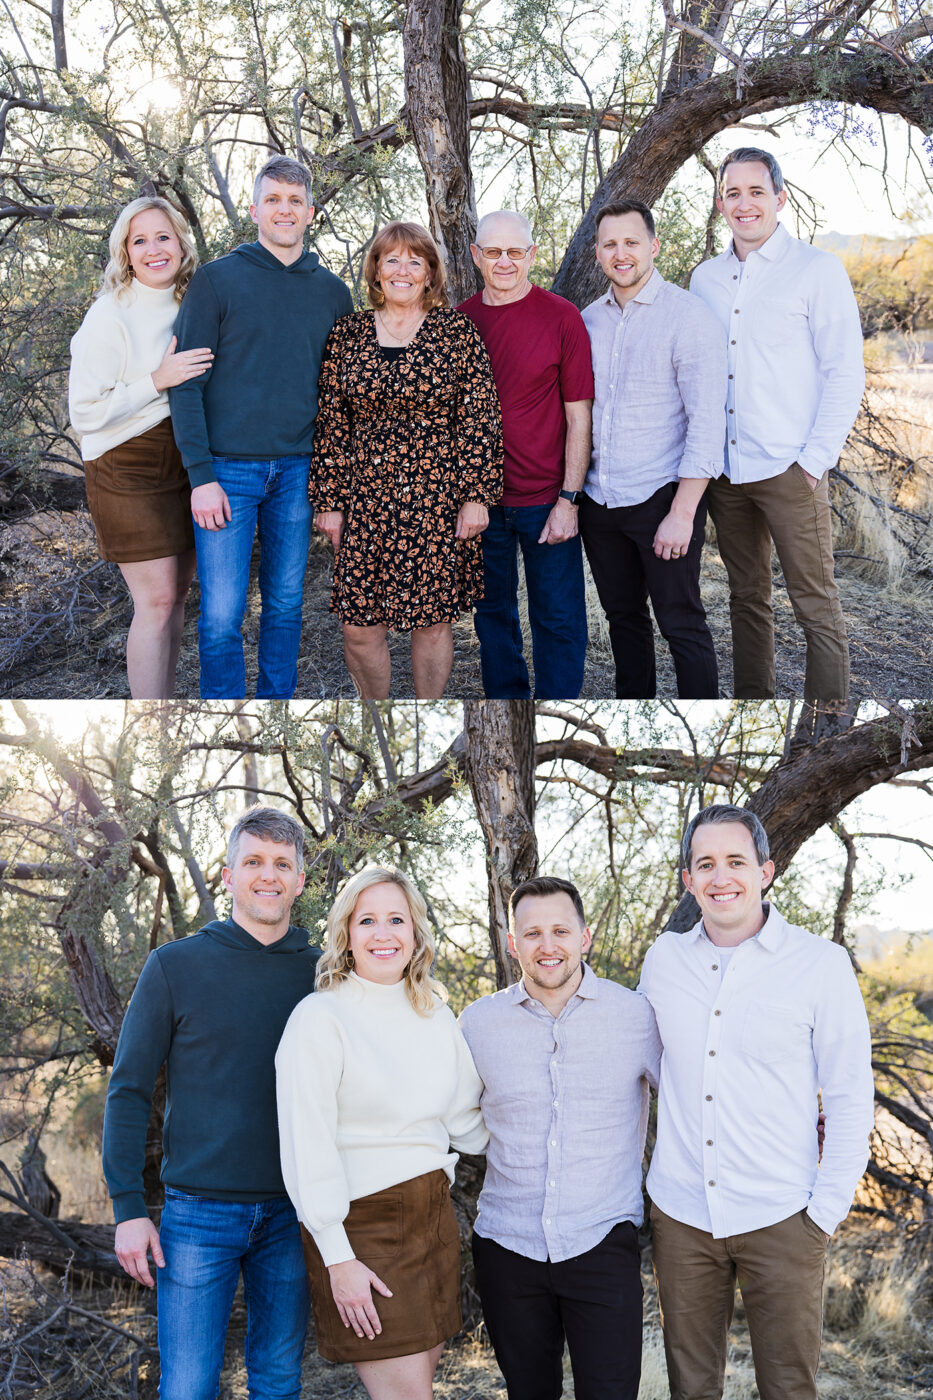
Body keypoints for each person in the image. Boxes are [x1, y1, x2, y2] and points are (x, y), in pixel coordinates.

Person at [639, 803, 875, 1400]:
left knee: (788, 1388)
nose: (721, 877)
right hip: (682, 1215)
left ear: (765, 871)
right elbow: (638, 1066)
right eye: (705, 864)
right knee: (692, 1390)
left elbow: (850, 1096)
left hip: (784, 1215)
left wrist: (824, 1214)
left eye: (736, 861)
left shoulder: (820, 965)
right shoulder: (665, 960)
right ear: (688, 880)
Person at [101, 806, 319, 1400]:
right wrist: (128, 1207)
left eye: (282, 864)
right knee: (188, 1387)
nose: (268, 875)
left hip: (296, 1212)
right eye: (254, 862)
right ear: (228, 876)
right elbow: (129, 1088)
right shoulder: (175, 965)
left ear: (300, 880)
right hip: (198, 1214)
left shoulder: (325, 974)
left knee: (279, 1381)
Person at [275, 866, 488, 1400]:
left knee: (419, 1384)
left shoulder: (434, 1014)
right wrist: (337, 1257)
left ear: (415, 932)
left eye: (396, 919)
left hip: (433, 1220)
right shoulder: (320, 1018)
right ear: (346, 934)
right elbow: (306, 1145)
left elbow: (467, 1124)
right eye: (366, 920)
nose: (383, 933)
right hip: (363, 1230)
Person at [459, 876, 660, 1400]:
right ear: (512, 943)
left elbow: (697, 1102)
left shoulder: (636, 1016)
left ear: (584, 937)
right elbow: (442, 1115)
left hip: (601, 1240)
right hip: (507, 1246)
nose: (547, 946)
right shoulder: (477, 1025)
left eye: (560, 931)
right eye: (532, 934)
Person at [169, 155, 354, 699]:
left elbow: (340, 400)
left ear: (311, 212)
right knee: (221, 617)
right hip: (226, 474)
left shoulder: (332, 293)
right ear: (254, 210)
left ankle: (276, 711)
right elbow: (185, 385)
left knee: (286, 606)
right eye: (273, 199)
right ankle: (224, 716)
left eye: (295, 200)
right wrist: (201, 476)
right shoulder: (215, 281)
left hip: (299, 472)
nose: (284, 209)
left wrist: (333, 485)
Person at [689, 148, 865, 702]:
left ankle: (828, 722)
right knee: (747, 599)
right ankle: (752, 703)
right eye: (733, 193)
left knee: (815, 604)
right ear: (721, 204)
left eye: (756, 191)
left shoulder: (816, 270)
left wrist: (814, 462)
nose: (744, 203)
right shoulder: (704, 279)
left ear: (780, 198)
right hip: (726, 473)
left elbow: (844, 372)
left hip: (792, 469)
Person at [312, 221, 503, 699]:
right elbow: (332, 423)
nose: (403, 270)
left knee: (432, 624)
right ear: (376, 270)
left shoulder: (455, 332)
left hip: (435, 499)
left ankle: (426, 709)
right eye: (392, 260)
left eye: (415, 261)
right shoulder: (348, 334)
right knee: (359, 626)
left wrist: (477, 497)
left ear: (430, 273)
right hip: (365, 502)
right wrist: (329, 502)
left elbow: (479, 418)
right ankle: (376, 711)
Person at [580, 200, 726, 699]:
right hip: (600, 502)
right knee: (624, 621)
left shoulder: (689, 316)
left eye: (632, 242)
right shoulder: (588, 320)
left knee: (681, 623)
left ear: (654, 246)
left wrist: (683, 514)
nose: (621, 253)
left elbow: (707, 423)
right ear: (597, 253)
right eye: (610, 244)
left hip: (662, 498)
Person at [69, 196, 211, 699]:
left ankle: (163, 705)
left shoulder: (193, 302)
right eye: (140, 240)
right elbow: (84, 412)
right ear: (125, 253)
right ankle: (152, 719)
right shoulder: (109, 314)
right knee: (155, 601)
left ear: (181, 244)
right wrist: (156, 379)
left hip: (183, 457)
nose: (154, 250)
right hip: (124, 464)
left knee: (177, 598)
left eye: (163, 237)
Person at [459, 210, 594, 699]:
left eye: (515, 251)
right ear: (476, 255)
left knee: (558, 618)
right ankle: (508, 707)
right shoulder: (459, 323)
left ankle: (555, 708)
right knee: (493, 618)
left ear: (532, 255)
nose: (504, 261)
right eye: (493, 251)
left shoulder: (562, 317)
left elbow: (579, 417)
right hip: (482, 504)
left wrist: (569, 500)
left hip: (546, 500)